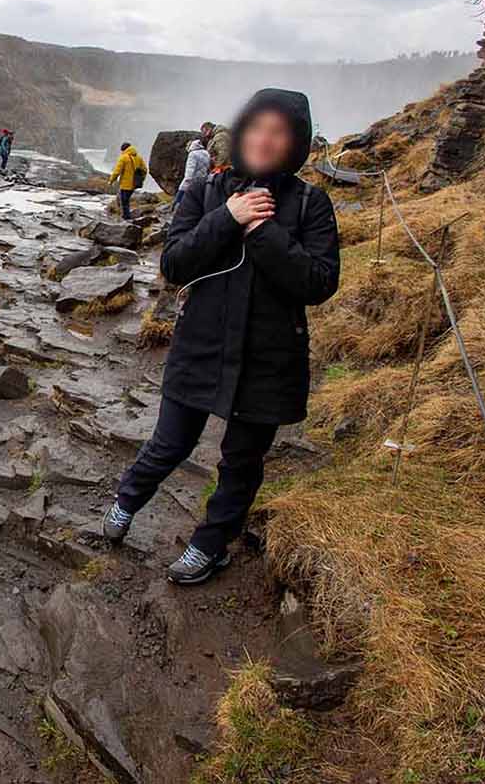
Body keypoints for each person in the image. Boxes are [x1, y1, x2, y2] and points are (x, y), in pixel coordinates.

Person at [100, 89, 340, 585]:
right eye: (256, 128)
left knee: (241, 462)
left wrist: (262, 232)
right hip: (201, 346)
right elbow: (174, 263)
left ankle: (209, 545)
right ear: (241, 132)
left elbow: (319, 283)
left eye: (279, 132)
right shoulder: (207, 193)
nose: (265, 140)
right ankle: (125, 502)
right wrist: (229, 218)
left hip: (269, 359)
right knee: (169, 442)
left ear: (296, 142)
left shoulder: (312, 204)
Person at [107, 141, 148, 221]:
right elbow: (145, 169)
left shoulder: (124, 157)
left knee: (124, 202)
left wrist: (111, 180)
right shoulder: (138, 157)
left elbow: (117, 171)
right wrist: (142, 178)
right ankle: (127, 216)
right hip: (134, 184)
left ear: (123, 149)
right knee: (127, 200)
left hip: (125, 184)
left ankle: (126, 218)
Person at [175, 137, 211, 209]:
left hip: (193, 183)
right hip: (204, 181)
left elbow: (189, 174)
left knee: (179, 204)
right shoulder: (206, 153)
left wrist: (182, 188)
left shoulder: (192, 154)